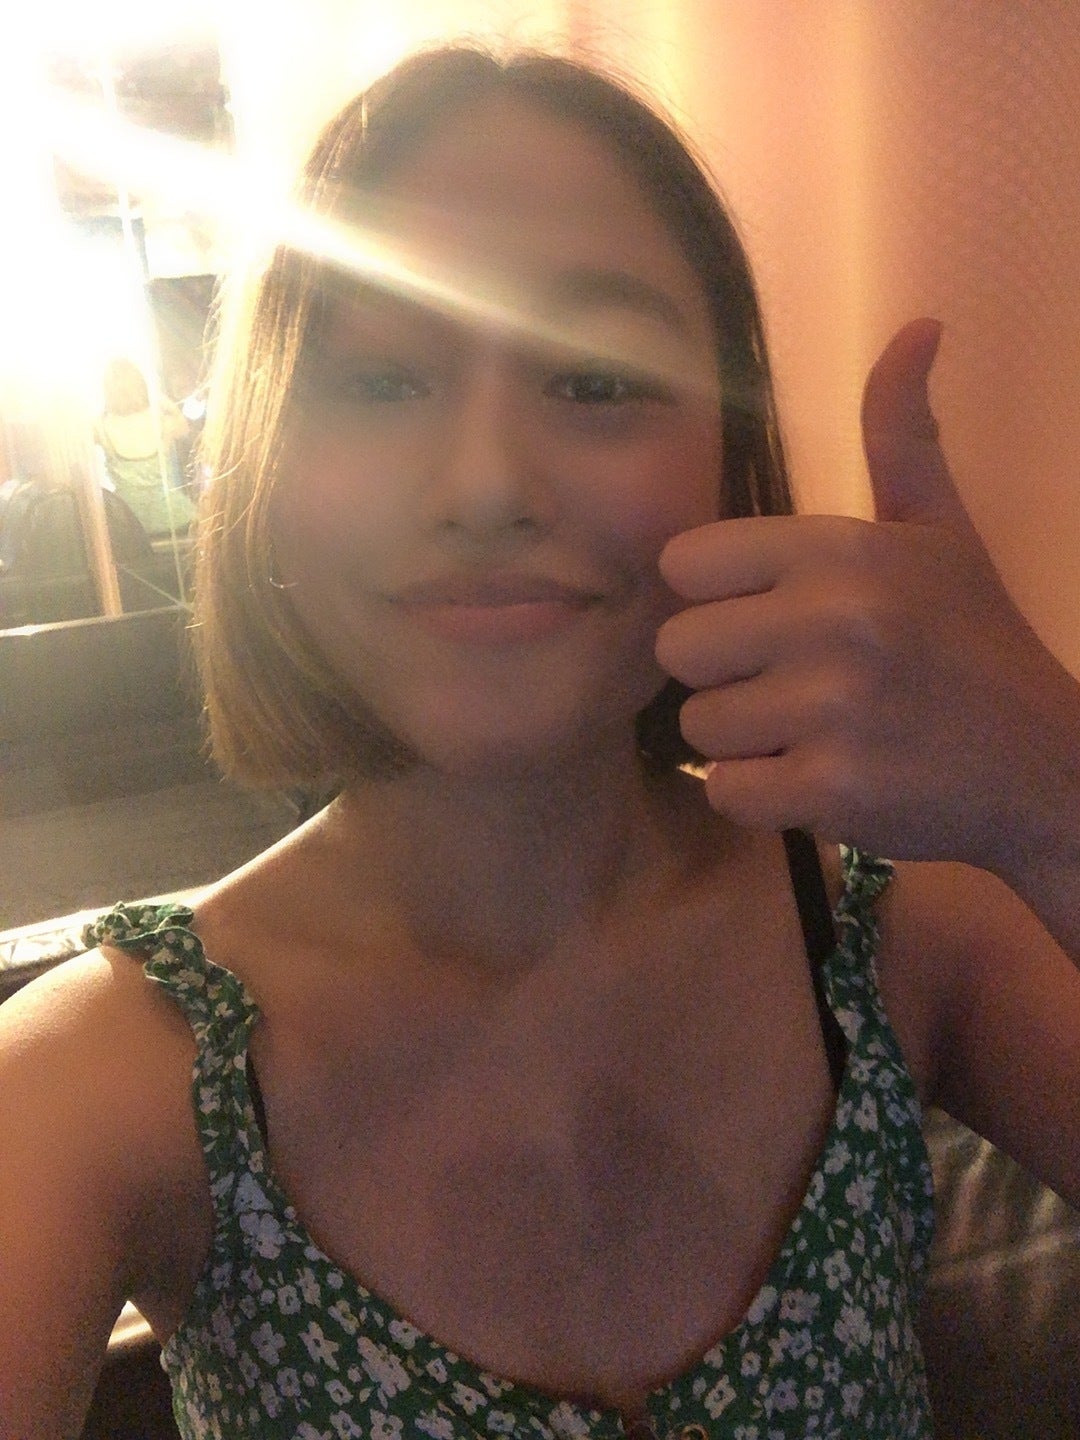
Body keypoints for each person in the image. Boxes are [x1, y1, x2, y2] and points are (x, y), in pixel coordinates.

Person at [2, 44, 1079, 1440]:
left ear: (726, 447)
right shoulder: (98, 1081)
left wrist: (1057, 789)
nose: (488, 484)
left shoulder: (907, 935)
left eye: (597, 381)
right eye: (379, 380)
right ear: (267, 470)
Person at [94, 357, 197, 536]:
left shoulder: (100, 427)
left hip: (129, 521)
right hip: (174, 517)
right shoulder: (162, 421)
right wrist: (160, 400)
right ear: (141, 385)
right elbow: (184, 428)